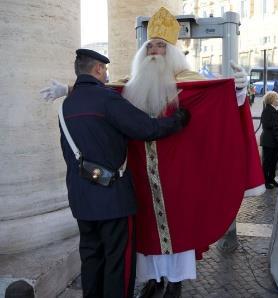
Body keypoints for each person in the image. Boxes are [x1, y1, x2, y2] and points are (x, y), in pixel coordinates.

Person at [41, 7, 264, 298]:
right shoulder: (130, 84)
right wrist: (69, 90)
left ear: (172, 50)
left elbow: (215, 106)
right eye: (150, 45)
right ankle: (155, 279)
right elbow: (103, 94)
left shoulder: (191, 81)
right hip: (141, 178)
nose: (155, 50)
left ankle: (174, 281)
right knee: (146, 231)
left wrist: (237, 91)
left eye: (161, 45)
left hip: (178, 175)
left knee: (178, 226)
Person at [58, 49, 190, 298]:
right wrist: (178, 120)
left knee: (91, 259)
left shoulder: (67, 105)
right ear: (97, 69)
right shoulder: (107, 99)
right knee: (117, 263)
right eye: (105, 70)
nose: (107, 75)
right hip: (113, 200)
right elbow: (146, 128)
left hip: (81, 200)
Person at [260, 91, 278, 189]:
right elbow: (266, 124)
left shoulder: (274, 110)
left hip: (274, 140)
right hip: (268, 141)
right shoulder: (267, 110)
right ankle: (265, 181)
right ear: (271, 100)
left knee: (274, 161)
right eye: (277, 98)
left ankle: (271, 178)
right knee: (267, 162)